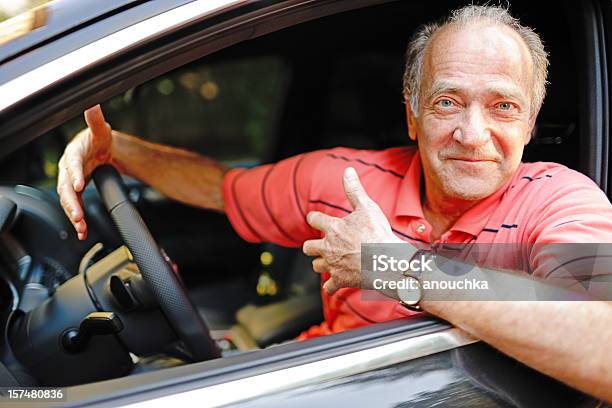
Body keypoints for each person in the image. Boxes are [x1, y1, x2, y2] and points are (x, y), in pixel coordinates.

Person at [57, 4, 612, 401]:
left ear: (531, 122)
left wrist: (392, 265)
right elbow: (222, 187)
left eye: (503, 107)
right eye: (447, 102)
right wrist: (117, 149)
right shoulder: (343, 178)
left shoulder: (559, 201)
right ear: (413, 115)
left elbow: (605, 340)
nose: (471, 132)